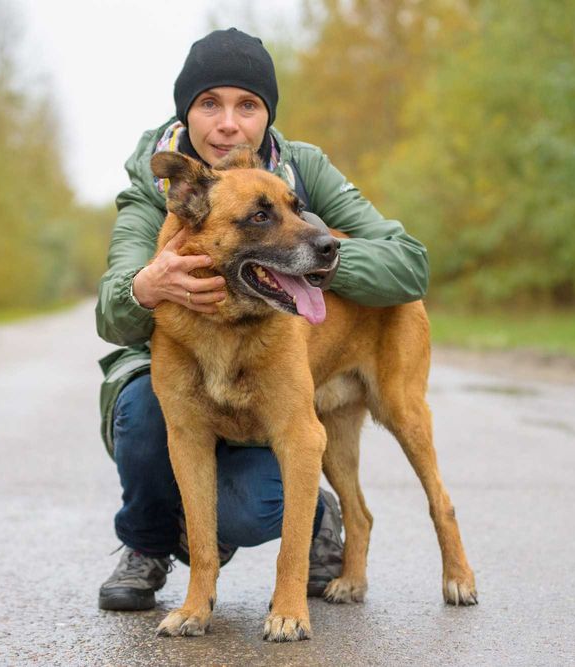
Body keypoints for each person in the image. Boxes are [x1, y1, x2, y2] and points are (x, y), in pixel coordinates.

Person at [95, 28, 429, 611]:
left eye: (247, 105)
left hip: (262, 365)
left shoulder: (301, 169)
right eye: (209, 103)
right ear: (187, 113)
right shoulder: (156, 187)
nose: (228, 123)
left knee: (253, 506)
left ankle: (309, 509)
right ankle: (148, 543)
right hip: (178, 372)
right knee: (145, 412)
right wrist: (145, 287)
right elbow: (110, 308)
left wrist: (315, 260)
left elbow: (408, 263)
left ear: (266, 117)